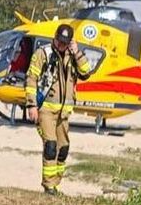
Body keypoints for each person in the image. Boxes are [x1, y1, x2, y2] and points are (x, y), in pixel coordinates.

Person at [23, 24, 91, 195]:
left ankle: (56, 183)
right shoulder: (43, 53)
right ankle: (48, 186)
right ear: (54, 38)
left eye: (65, 43)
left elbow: (86, 72)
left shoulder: (72, 56)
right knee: (51, 145)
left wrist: (76, 52)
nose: (61, 45)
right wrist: (31, 105)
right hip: (46, 108)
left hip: (64, 112)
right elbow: (31, 79)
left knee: (63, 148)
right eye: (59, 41)